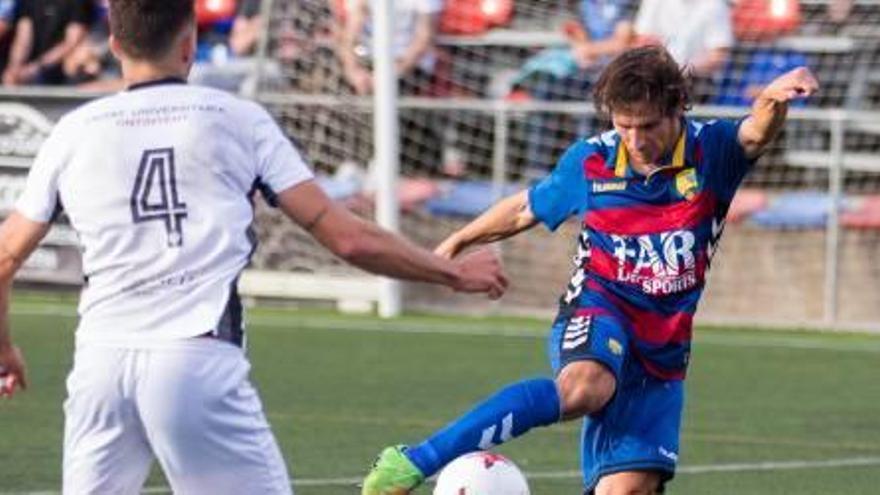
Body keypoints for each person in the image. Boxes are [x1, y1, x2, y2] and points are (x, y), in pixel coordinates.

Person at [0, 0, 508, 493]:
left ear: (113, 43)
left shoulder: (74, 131)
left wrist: (4, 346)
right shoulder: (236, 118)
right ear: (191, 41)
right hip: (194, 356)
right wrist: (451, 272)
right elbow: (347, 237)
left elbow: (5, 256)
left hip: (99, 367)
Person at [362, 46, 818, 495]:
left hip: (662, 349)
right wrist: (457, 243)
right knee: (584, 388)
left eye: (648, 126)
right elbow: (525, 209)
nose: (636, 141)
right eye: (624, 126)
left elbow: (756, 133)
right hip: (600, 308)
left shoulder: (711, 149)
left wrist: (773, 100)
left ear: (678, 107)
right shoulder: (592, 160)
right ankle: (411, 462)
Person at [2, 0, 94, 86]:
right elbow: (23, 38)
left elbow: (72, 42)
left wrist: (36, 68)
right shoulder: (29, 2)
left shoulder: (77, 2)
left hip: (61, 74)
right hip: (31, 72)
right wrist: (14, 68)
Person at [633, 0, 733, 77]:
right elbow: (643, 39)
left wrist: (684, 70)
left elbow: (718, 56)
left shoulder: (715, 5)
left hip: (696, 80)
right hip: (655, 73)